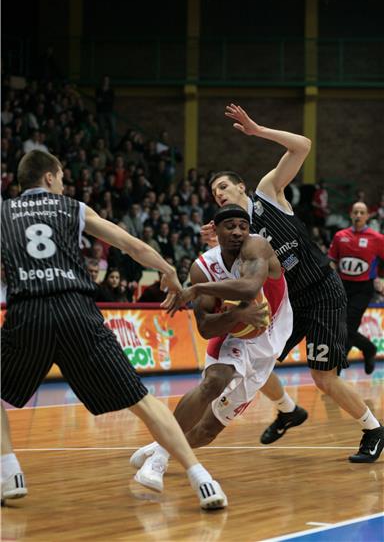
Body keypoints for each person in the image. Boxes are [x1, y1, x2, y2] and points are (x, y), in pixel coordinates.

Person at [1, 149, 227, 510]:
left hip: (28, 311)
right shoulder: (72, 207)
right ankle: (202, 479)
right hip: (77, 310)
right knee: (144, 401)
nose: (62, 183)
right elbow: (131, 245)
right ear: (48, 178)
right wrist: (168, 272)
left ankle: (9, 472)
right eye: (60, 177)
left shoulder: (3, 213)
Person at [197, 104, 383, 463]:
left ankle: (374, 429)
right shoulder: (233, 235)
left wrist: (257, 130)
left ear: (239, 186)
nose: (217, 193)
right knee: (257, 361)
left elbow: (303, 145)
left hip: (323, 291)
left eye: (222, 186)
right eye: (212, 191)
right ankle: (287, 410)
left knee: (323, 377)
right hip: (287, 303)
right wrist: (217, 250)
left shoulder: (268, 192)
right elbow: (241, 280)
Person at [130, 204, 294, 491]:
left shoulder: (257, 245)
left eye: (243, 225)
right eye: (229, 226)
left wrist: (198, 290)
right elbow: (205, 328)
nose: (238, 231)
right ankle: (158, 460)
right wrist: (237, 316)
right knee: (213, 383)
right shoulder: (202, 267)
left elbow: (248, 289)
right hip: (233, 336)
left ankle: (160, 445)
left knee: (206, 432)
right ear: (215, 231)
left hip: (268, 343)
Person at [328, 201, 384, 374]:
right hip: (343, 286)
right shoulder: (339, 236)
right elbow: (332, 260)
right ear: (351, 214)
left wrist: (381, 278)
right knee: (339, 326)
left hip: (363, 288)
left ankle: (336, 368)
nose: (358, 215)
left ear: (367, 216)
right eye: (356, 212)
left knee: (349, 326)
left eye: (362, 212)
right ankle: (368, 348)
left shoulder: (377, 238)